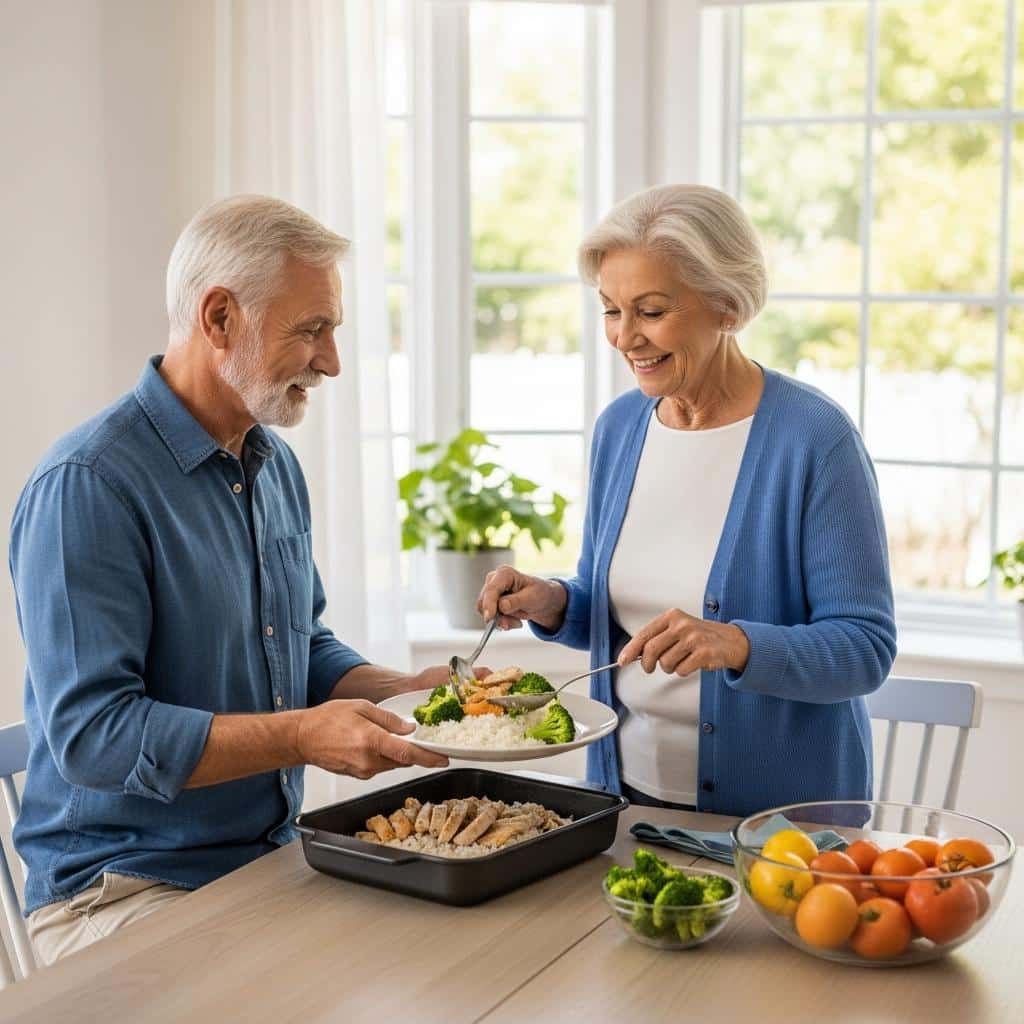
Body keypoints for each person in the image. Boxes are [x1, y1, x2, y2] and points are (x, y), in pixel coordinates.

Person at [10, 195, 454, 965]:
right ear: (219, 319)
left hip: (266, 863)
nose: (331, 361)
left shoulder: (270, 462)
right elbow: (93, 737)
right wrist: (304, 737)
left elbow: (298, 644)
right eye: (311, 330)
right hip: (120, 890)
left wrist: (405, 690)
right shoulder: (89, 485)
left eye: (333, 330)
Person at [478, 183, 897, 817]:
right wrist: (556, 602)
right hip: (625, 802)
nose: (624, 338)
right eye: (611, 311)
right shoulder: (621, 429)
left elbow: (864, 649)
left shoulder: (813, 439)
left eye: (650, 311)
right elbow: (618, 616)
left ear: (727, 306)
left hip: (778, 827)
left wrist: (736, 643)